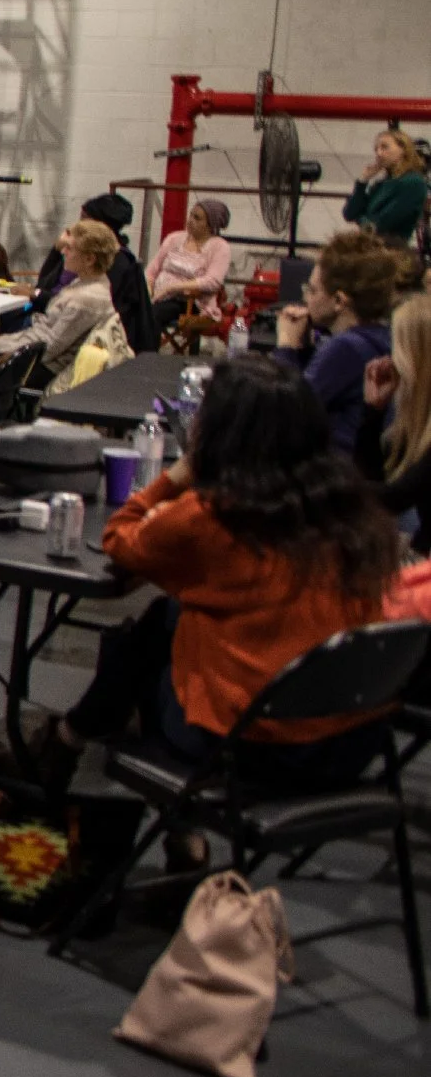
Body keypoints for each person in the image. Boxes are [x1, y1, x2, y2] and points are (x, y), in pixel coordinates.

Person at [22, 357, 401, 847]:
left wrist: (181, 472)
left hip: (256, 748)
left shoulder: (214, 517)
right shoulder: (351, 512)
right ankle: (74, 743)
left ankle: (79, 751)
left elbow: (121, 538)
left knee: (146, 649)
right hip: (350, 743)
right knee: (169, 617)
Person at [272, 229, 399, 455]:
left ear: (339, 301)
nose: (305, 297)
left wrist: (286, 346)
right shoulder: (382, 337)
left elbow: (283, 413)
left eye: (312, 290)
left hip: (334, 471)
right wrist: (304, 349)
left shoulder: (346, 347)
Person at [0, 217, 123, 385]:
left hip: (47, 371)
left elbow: (48, 347)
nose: (63, 252)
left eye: (69, 248)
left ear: (89, 259)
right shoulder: (89, 282)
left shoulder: (85, 300)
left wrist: (0, 346)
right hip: (41, 354)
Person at [33, 192, 154, 355]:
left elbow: (77, 314)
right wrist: (56, 250)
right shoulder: (80, 254)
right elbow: (45, 284)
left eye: (84, 219)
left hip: (79, 339)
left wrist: (36, 294)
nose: (78, 225)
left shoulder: (110, 264)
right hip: (54, 318)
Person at [359, 293, 431, 552]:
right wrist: (374, 410)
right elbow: (377, 480)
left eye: (396, 347)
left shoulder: (344, 346)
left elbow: (394, 498)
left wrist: (327, 484)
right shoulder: (417, 422)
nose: (390, 358)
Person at [146, 197, 234, 333]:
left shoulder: (220, 247)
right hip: (158, 296)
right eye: (191, 215)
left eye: (197, 218)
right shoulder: (174, 238)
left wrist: (171, 288)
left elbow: (213, 281)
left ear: (210, 225)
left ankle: (146, 353)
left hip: (189, 301)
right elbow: (152, 270)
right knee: (131, 308)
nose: (190, 220)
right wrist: (148, 288)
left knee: (153, 314)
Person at [342, 125, 429, 246]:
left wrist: (360, 218)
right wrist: (362, 182)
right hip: (371, 248)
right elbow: (349, 213)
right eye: (376, 149)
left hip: (390, 254)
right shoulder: (382, 183)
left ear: (403, 149)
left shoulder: (413, 182)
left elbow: (380, 226)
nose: (379, 153)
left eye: (384, 147)